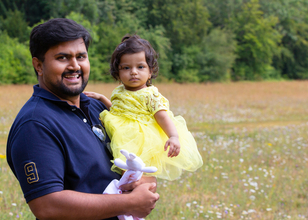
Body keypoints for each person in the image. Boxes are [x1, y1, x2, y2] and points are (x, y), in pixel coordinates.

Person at [6, 18, 159, 220]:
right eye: (62, 58)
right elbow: (46, 205)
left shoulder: (97, 108)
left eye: (81, 56)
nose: (74, 66)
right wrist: (129, 203)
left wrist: (139, 183)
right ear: (39, 65)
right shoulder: (35, 125)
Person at [85, 34, 203, 181]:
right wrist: (102, 98)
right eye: (126, 68)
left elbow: (162, 116)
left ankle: (136, 192)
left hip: (141, 137)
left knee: (137, 171)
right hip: (122, 133)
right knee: (123, 169)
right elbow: (117, 111)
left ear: (150, 72)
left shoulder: (149, 94)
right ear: (118, 72)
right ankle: (123, 190)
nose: (133, 72)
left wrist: (173, 136)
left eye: (140, 67)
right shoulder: (119, 91)